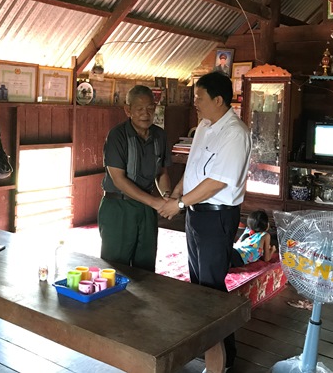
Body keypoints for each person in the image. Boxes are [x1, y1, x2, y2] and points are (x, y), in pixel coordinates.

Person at [159, 71, 251, 372]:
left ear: (219, 99)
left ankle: (225, 359)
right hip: (196, 214)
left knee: (211, 289)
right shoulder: (204, 126)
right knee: (198, 285)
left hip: (217, 216)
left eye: (199, 97)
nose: (195, 102)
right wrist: (177, 192)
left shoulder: (235, 133)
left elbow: (216, 183)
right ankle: (208, 348)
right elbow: (194, 167)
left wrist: (179, 203)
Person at [98, 85, 172, 272]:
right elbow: (119, 180)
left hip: (147, 209)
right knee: (115, 267)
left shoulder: (159, 135)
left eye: (150, 108)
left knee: (145, 268)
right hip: (119, 207)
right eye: (139, 109)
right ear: (128, 110)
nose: (146, 114)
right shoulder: (117, 136)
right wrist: (155, 202)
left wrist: (166, 197)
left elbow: (161, 172)